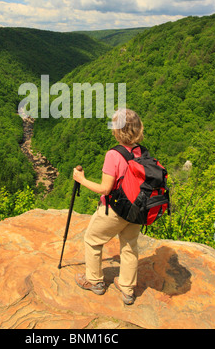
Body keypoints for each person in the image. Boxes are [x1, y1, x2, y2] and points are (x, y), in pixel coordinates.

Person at [73, 108, 144, 305]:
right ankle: (127, 288)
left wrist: (81, 179)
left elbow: (105, 189)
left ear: (117, 131)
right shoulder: (141, 151)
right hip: (136, 210)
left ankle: (94, 281)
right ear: (138, 129)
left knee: (92, 240)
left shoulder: (113, 155)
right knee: (130, 247)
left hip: (115, 210)